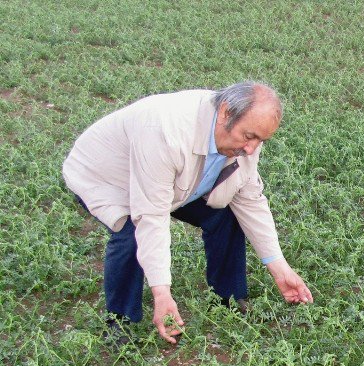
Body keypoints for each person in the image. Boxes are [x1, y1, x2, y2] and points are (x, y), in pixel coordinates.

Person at [63, 81, 313, 344]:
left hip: (179, 181)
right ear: (226, 112)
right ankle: (121, 325)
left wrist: (279, 267)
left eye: (261, 140)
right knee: (131, 233)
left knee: (228, 216)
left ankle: (228, 300)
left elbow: (249, 198)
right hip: (107, 177)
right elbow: (151, 215)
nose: (251, 149)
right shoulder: (165, 131)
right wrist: (162, 293)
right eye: (249, 137)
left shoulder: (244, 137)